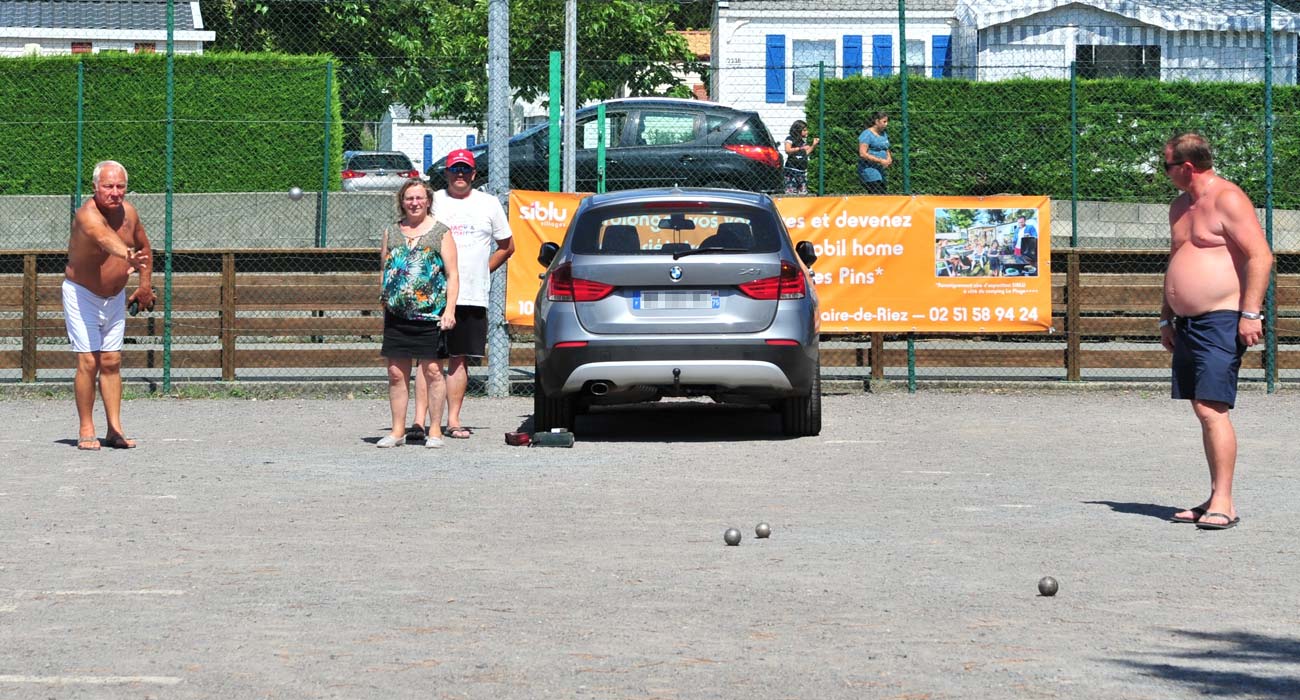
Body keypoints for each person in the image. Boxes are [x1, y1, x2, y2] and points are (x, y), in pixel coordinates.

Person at [1160, 132, 1273, 531]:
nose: (1165, 172)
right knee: (1202, 407)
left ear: (1186, 167)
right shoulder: (1180, 206)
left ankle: (1225, 501)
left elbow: (1261, 255)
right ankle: (1213, 496)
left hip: (1222, 318)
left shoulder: (1228, 198)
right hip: (1187, 323)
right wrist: (1166, 316)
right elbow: (1177, 258)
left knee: (1212, 408)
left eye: (1167, 166)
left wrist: (1251, 314)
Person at [426, 148, 515, 439]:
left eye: (465, 170)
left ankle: (453, 421)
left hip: (471, 294)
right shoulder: (434, 201)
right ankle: (421, 422)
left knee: (459, 358)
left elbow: (507, 246)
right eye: (455, 170)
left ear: (474, 174)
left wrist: (481, 270)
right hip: (433, 293)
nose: (460, 175)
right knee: (428, 359)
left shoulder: (488, 204)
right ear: (447, 173)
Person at [64, 161, 153, 450]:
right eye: (108, 186)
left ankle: (115, 430)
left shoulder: (130, 213)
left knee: (112, 361)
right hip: (82, 294)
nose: (115, 192)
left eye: (120, 186)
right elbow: (104, 239)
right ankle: (86, 428)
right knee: (89, 361)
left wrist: (144, 285)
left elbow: (145, 248)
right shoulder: (85, 215)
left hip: (114, 297)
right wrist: (128, 256)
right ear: (95, 187)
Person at [377, 179, 459, 448]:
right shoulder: (392, 231)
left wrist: (449, 310)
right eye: (409, 198)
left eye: (419, 198)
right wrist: (384, 295)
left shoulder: (441, 232)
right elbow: (385, 267)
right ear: (402, 201)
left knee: (434, 371)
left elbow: (452, 273)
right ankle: (397, 430)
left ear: (428, 201)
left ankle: (434, 429)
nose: (414, 203)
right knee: (396, 374)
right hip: (398, 315)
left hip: (430, 315)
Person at [857, 112, 891, 195]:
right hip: (869, 169)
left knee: (882, 193)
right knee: (878, 193)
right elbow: (862, 153)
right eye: (884, 121)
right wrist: (880, 161)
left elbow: (886, 148)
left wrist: (889, 158)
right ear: (877, 121)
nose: (886, 124)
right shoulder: (867, 134)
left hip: (880, 170)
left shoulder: (883, 134)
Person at [782, 120, 819, 195]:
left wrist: (813, 145)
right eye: (804, 130)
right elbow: (787, 150)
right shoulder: (790, 138)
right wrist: (800, 148)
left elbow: (806, 153)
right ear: (798, 130)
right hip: (792, 170)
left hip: (801, 171)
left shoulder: (802, 142)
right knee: (791, 192)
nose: (807, 132)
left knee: (803, 192)